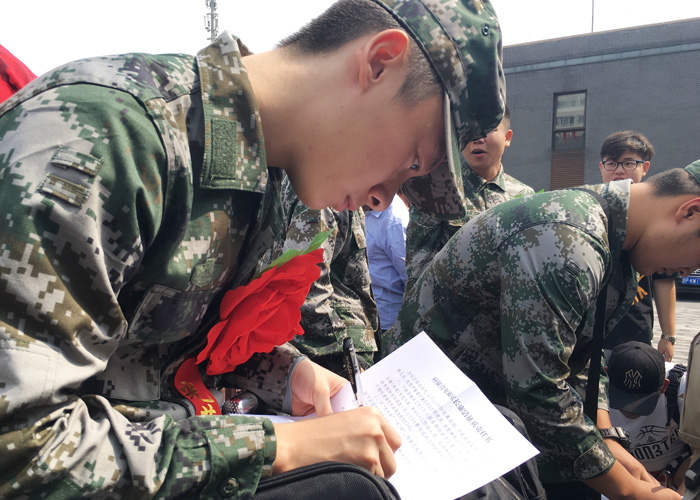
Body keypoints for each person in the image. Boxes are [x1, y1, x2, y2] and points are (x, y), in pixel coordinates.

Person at [0, 0, 507, 497]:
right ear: (379, 63)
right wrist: (275, 446)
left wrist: (283, 374)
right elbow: (20, 448)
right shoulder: (105, 136)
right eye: (412, 162)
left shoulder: (268, 176)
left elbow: (158, 353)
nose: (383, 198)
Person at [382, 160, 700, 499]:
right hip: (433, 424)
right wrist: (631, 491)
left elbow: (577, 353)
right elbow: (536, 389)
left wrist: (606, 439)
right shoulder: (569, 240)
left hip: (482, 415)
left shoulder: (614, 237)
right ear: (690, 211)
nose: (689, 270)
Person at [404, 105, 534, 289]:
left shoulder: (524, 197)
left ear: (507, 137)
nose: (477, 138)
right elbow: (418, 269)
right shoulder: (437, 191)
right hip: (453, 304)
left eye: (488, 129)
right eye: (470, 130)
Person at [276, 176, 380, 373]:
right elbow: (306, 286)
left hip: (339, 343)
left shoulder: (337, 185)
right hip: (331, 353)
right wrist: (344, 354)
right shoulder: (323, 191)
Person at [599, 130, 678, 362]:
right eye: (612, 163)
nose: (619, 170)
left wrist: (668, 336)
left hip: (635, 335)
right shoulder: (589, 212)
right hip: (589, 337)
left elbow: (664, 281)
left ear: (645, 168)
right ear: (601, 168)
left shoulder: (658, 219)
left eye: (629, 163)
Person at [607, 341, 691, 494]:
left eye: (640, 403)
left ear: (664, 386)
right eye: (622, 399)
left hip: (674, 468)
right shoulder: (589, 389)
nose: (629, 411)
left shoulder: (684, 386)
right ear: (605, 375)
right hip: (618, 471)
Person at [365, 193, 409, 332]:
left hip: (388, 325)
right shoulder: (356, 209)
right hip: (365, 321)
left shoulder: (394, 219)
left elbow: (410, 277)